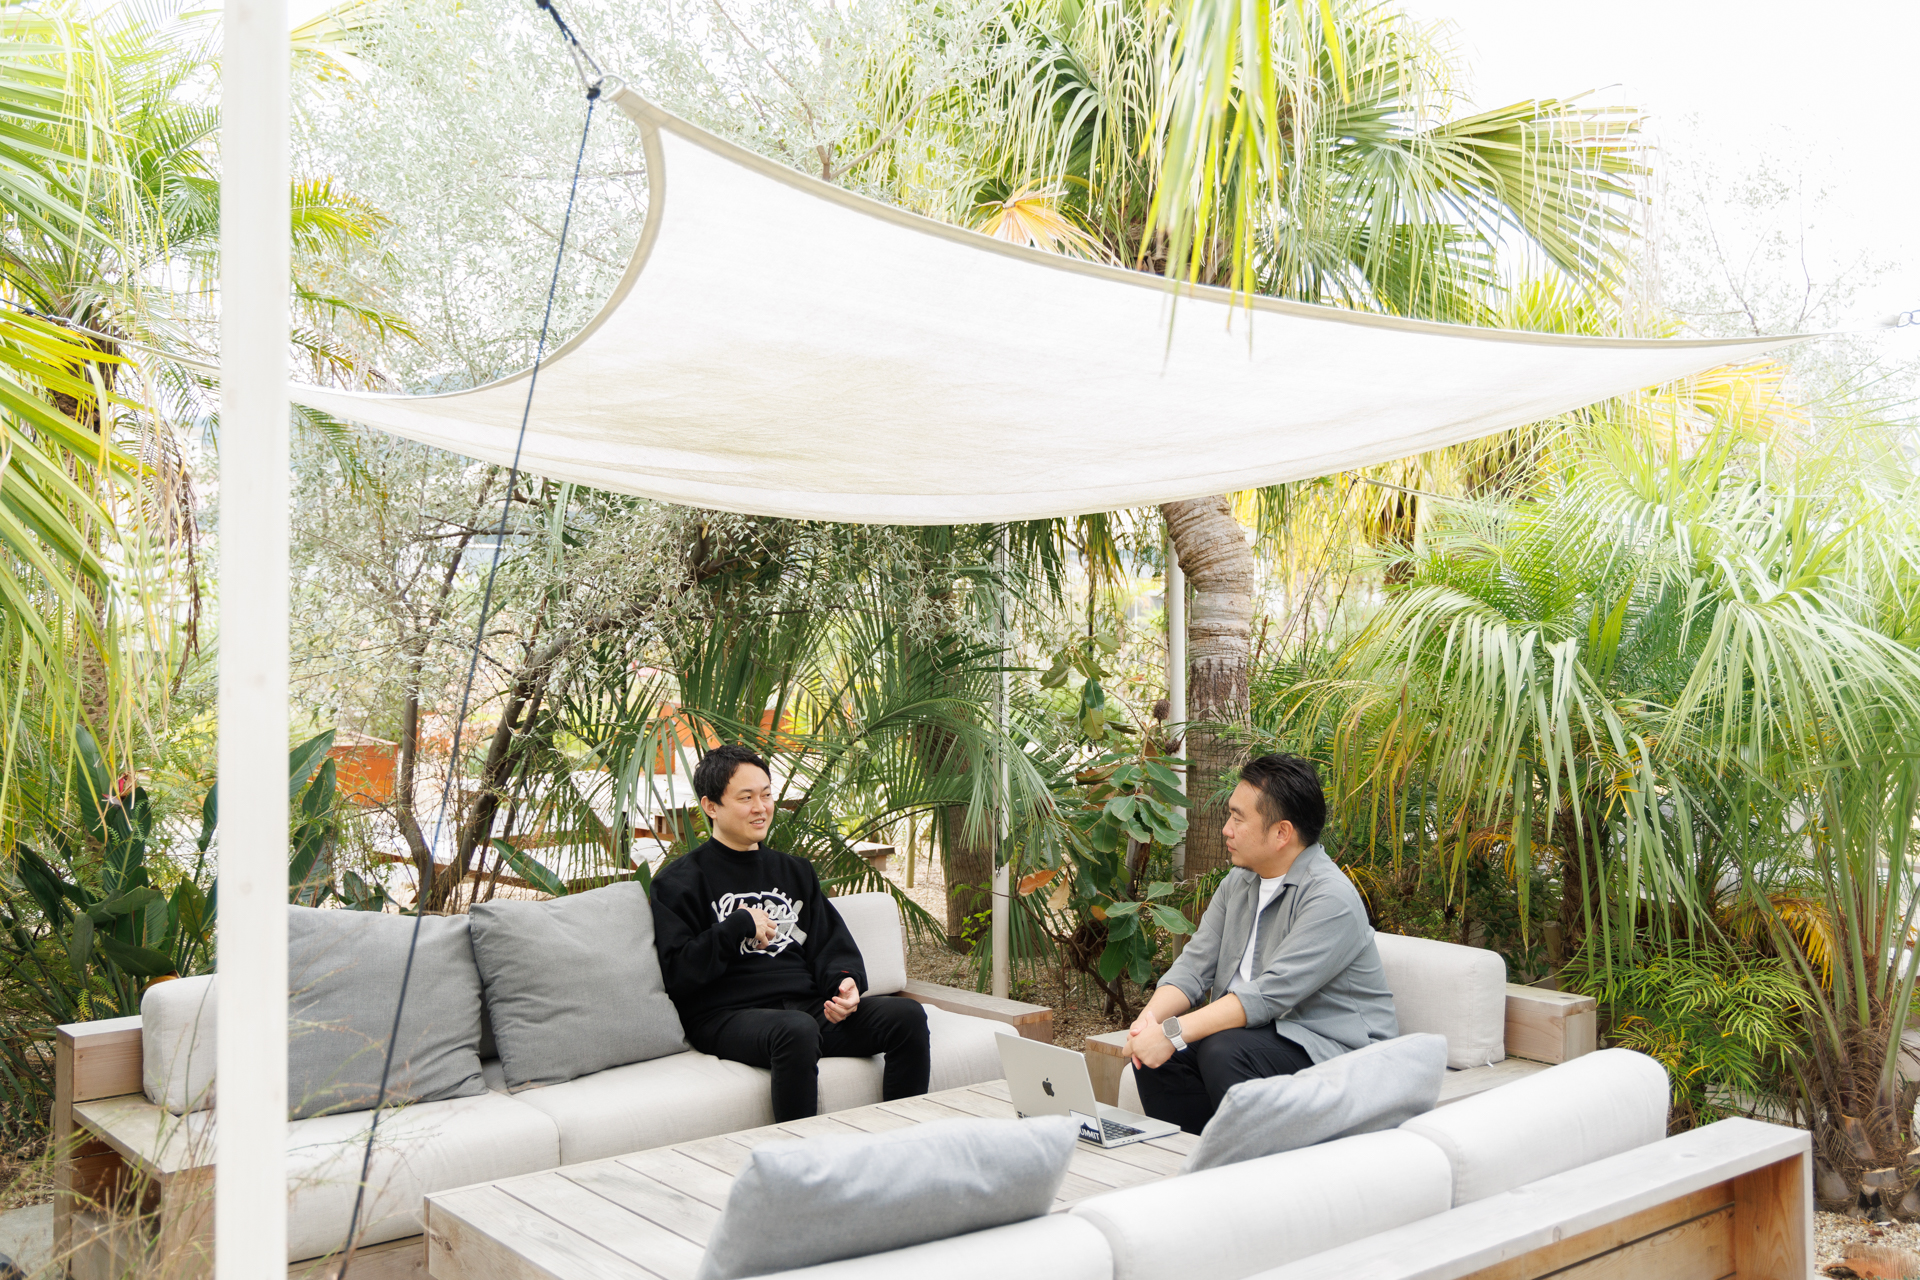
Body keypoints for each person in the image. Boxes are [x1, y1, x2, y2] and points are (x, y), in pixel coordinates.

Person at [650, 743, 931, 1121]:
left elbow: (830, 943)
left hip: (806, 1010)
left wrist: (845, 983)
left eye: (766, 795)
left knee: (907, 1017)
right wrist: (738, 925)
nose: (761, 807)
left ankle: (903, 1139)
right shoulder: (679, 881)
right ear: (711, 806)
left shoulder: (795, 871)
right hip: (727, 1016)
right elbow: (679, 972)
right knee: (796, 1030)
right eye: (746, 797)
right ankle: (800, 1153)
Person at [1124, 753, 1396, 1134]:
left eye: (1238, 819)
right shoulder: (1238, 882)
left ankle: (1255, 1164)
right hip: (1263, 1039)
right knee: (1156, 1060)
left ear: (1282, 833)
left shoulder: (1330, 897)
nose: (1226, 829)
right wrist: (1147, 1025)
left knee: (1221, 1050)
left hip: (1338, 1051)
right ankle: (1201, 1158)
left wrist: (1171, 1032)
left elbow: (1267, 995)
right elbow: (1193, 966)